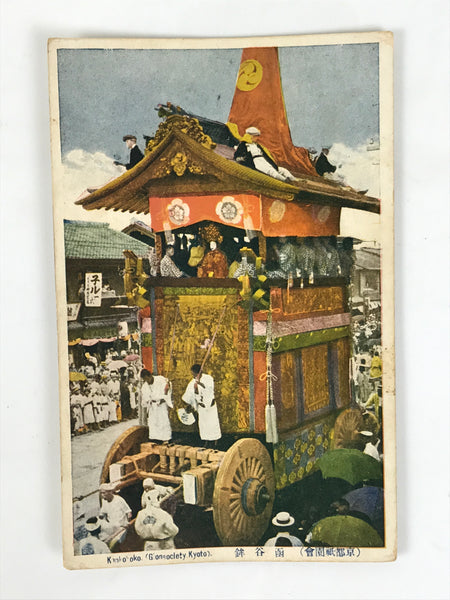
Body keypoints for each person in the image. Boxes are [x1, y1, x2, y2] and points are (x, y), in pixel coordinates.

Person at [233, 127, 298, 183]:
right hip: (256, 162)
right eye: (255, 136)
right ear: (251, 136)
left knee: (282, 170)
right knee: (271, 171)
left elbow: (265, 155)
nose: (257, 138)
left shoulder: (257, 145)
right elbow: (237, 155)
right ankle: (284, 180)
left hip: (263, 160)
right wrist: (241, 159)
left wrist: (272, 163)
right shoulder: (243, 145)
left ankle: (294, 179)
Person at [182, 364, 221, 447]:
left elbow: (209, 389)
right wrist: (189, 404)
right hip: (202, 408)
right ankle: (206, 442)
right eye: (192, 374)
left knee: (213, 425)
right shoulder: (192, 382)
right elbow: (189, 396)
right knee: (204, 426)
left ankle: (215, 443)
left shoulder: (208, 378)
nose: (193, 376)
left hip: (210, 407)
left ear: (200, 372)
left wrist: (200, 383)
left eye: (195, 374)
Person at [140, 369, 173, 442]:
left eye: (147, 379)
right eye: (145, 380)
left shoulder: (161, 379)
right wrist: (148, 401)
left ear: (150, 376)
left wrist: (166, 393)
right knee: (153, 422)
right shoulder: (145, 386)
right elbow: (145, 397)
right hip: (152, 406)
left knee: (163, 421)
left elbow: (168, 388)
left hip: (161, 404)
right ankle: (155, 439)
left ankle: (166, 439)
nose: (147, 381)